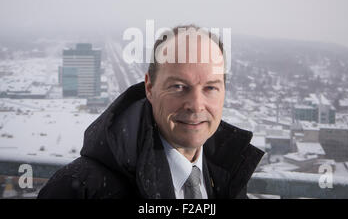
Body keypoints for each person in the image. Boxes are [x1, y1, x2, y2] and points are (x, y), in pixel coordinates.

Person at [38, 24, 264, 199]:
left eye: (211, 87)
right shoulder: (81, 188)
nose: (196, 105)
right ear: (149, 88)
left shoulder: (228, 172)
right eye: (178, 87)